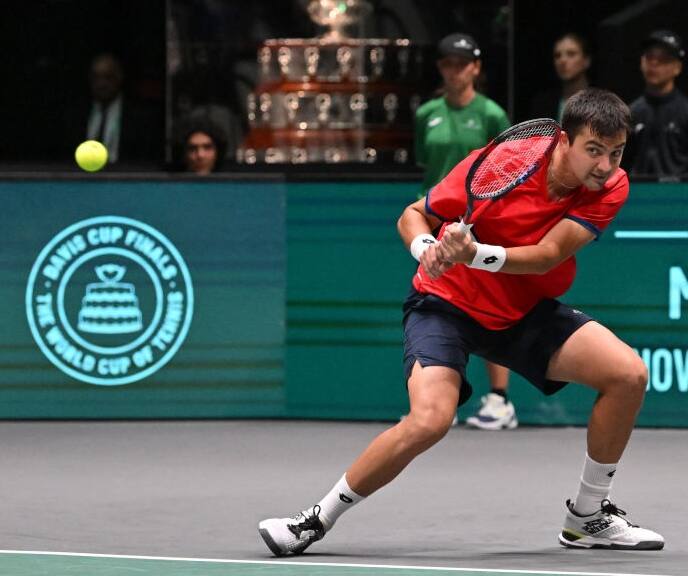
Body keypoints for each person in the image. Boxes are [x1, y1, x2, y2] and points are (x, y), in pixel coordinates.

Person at [258, 88, 665, 554]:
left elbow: (548, 254)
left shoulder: (612, 186)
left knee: (628, 375)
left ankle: (587, 516)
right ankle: (314, 520)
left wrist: (475, 254)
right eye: (593, 150)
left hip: (520, 312)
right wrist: (426, 249)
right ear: (562, 141)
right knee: (430, 420)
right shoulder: (504, 163)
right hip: (445, 307)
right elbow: (414, 215)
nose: (605, 165)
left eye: (616, 152)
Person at [414, 33, 517, 430]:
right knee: (439, 308)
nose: (454, 71)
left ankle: (500, 401)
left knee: (486, 308)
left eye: (461, 64)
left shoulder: (492, 115)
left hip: (481, 224)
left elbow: (509, 168)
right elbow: (426, 163)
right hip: (436, 222)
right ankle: (439, 401)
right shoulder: (427, 114)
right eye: (447, 64)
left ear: (475, 68)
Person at [624, 30, 688, 176]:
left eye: (663, 59)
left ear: (677, 67)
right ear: (641, 62)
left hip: (680, 190)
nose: (654, 63)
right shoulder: (629, 114)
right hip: (638, 190)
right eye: (649, 57)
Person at [529, 33, 591, 122]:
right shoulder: (543, 104)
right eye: (557, 55)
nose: (563, 60)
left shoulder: (602, 102)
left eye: (571, 54)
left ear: (586, 60)